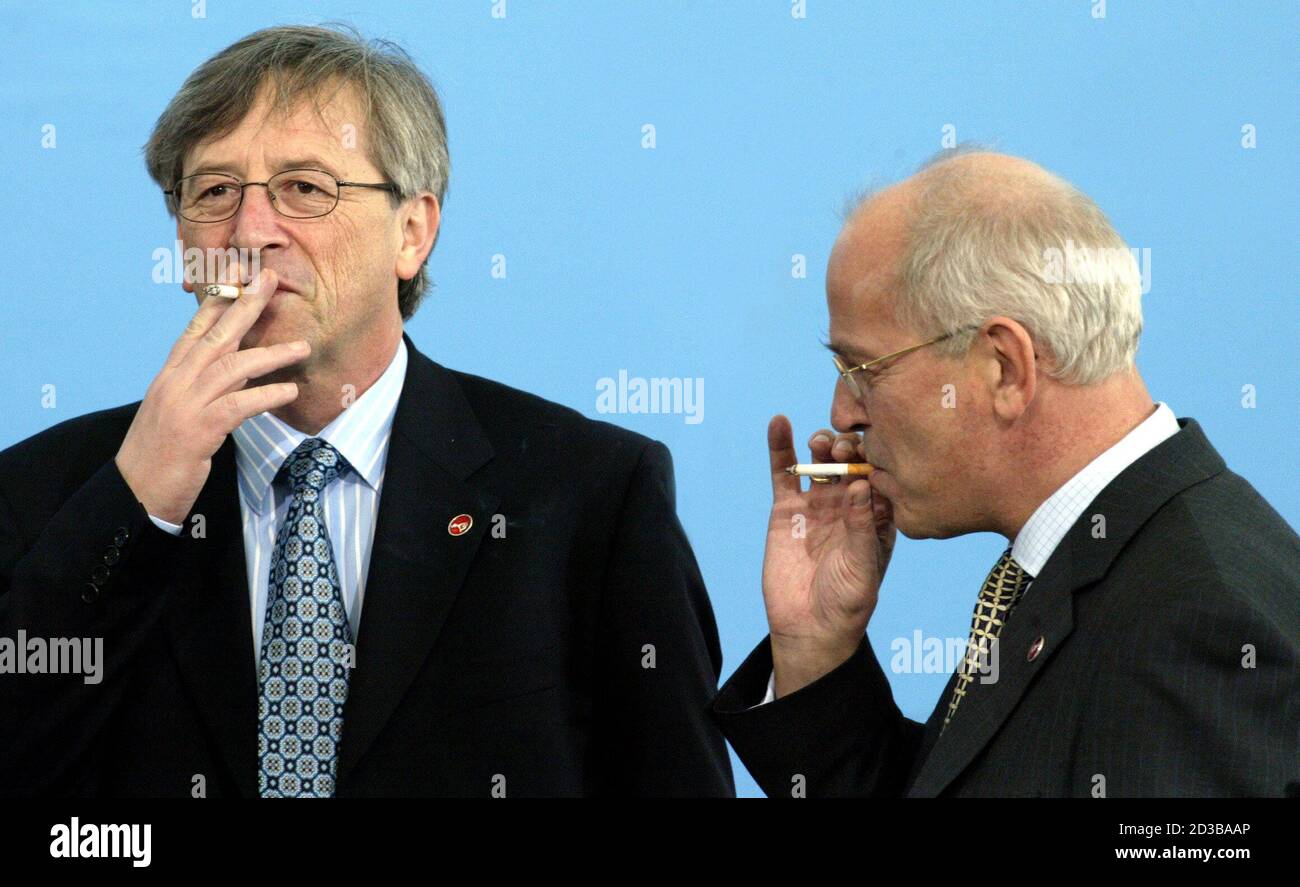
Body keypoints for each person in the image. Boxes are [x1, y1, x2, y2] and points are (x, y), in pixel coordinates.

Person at [0, 25, 733, 798]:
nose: (250, 232)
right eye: (214, 192)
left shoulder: (592, 496)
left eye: (305, 188)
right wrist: (134, 505)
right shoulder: (46, 492)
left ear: (411, 233)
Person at [711, 148, 1299, 797]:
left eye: (864, 370)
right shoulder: (1109, 564)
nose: (843, 412)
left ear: (1004, 368)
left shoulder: (1198, 630)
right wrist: (817, 651)